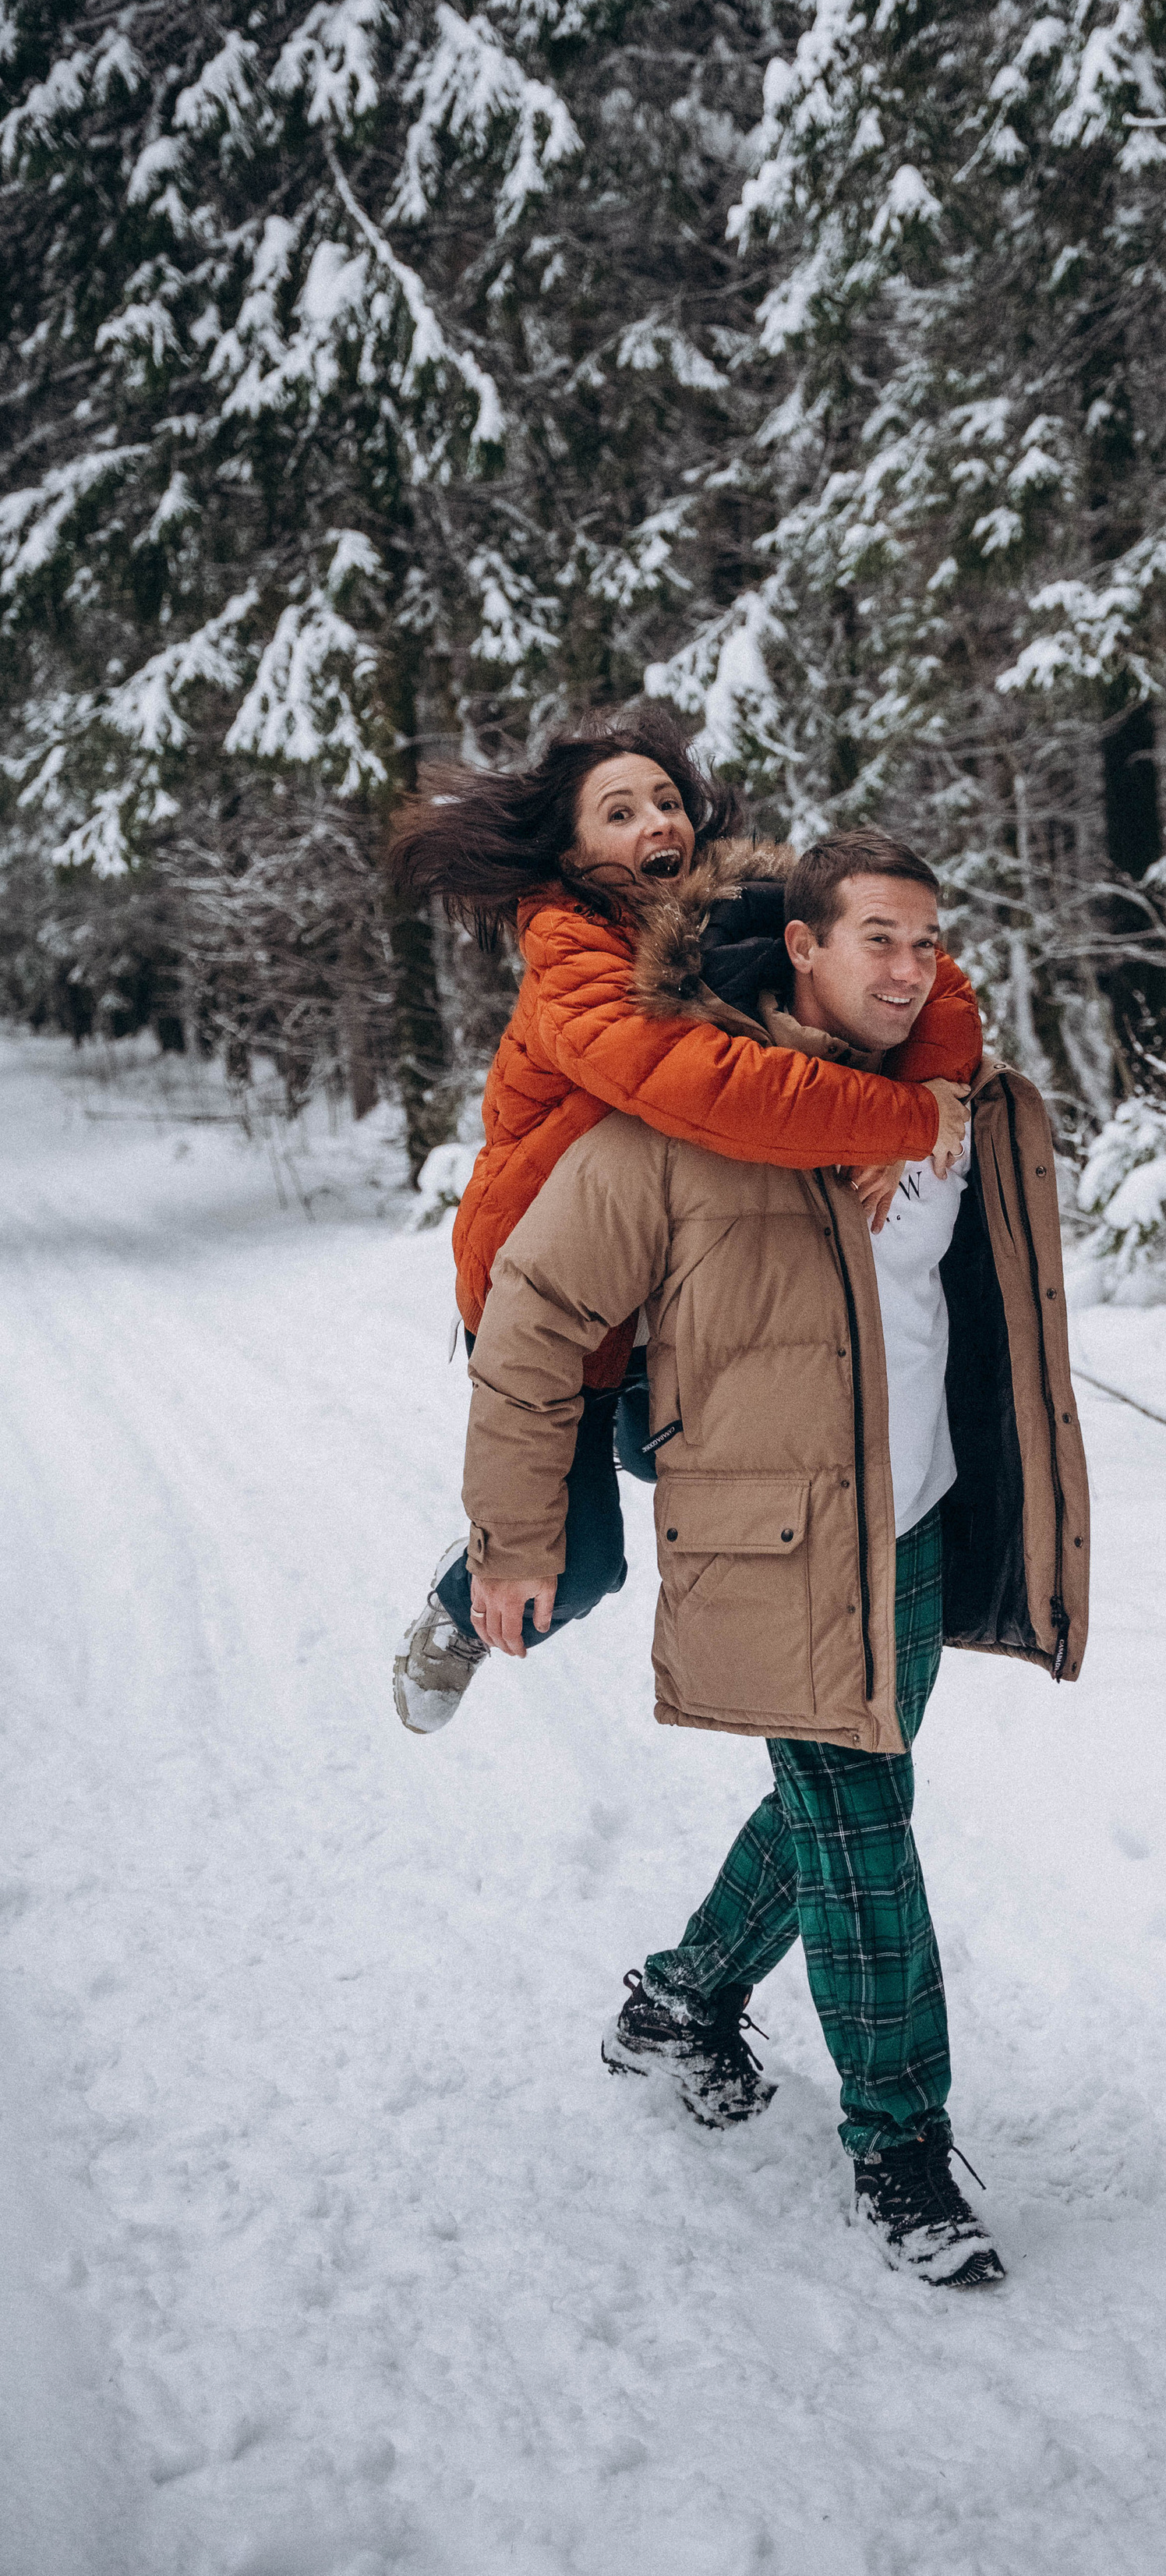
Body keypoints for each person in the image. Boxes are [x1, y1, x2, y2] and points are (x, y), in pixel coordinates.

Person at [460, 830, 1090, 2288]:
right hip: (772, 1537)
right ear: (801, 945)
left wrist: (926, 1108)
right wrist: (513, 1541)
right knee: (866, 1832)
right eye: (877, 937)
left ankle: (682, 1997)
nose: (909, 967)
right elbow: (533, 1319)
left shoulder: (936, 1110)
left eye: (927, 942)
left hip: (915, 1520)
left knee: (839, 1799)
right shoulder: (677, 1127)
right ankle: (903, 2150)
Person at [382, 705, 980, 1734]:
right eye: (619, 811)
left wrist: (935, 1089)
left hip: (671, 1282)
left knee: (711, 1455)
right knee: (577, 1571)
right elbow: (704, 1086)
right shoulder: (571, 962)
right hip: (551, 1296)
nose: (656, 821)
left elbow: (927, 978)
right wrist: (900, 1115)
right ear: (570, 853)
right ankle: (460, 1607)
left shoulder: (740, 910)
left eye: (666, 800)